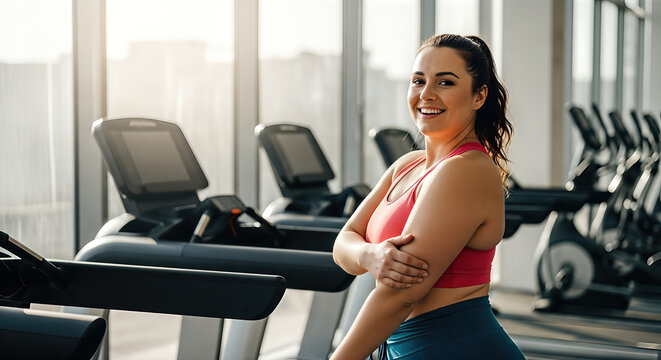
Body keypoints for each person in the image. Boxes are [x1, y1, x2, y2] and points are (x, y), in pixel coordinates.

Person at [331, 34, 525, 360]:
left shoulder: (467, 169)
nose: (426, 94)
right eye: (418, 80)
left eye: (445, 82)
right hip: (403, 345)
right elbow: (342, 243)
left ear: (479, 96)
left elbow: (401, 295)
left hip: (453, 346)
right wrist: (370, 255)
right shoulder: (406, 166)